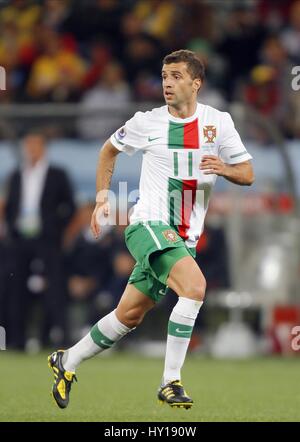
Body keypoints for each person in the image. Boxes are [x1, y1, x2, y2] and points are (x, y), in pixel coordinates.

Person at [48, 49, 254, 409]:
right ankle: (170, 381)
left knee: (128, 315)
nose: (168, 83)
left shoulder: (218, 122)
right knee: (195, 286)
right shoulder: (146, 122)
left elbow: (247, 174)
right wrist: (101, 200)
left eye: (176, 76)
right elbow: (107, 152)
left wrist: (223, 168)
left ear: (196, 82)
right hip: (148, 223)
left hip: (183, 239)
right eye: (164, 76)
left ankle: (67, 361)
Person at [4, 130, 76, 349]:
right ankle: (17, 340)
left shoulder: (57, 174)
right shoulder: (17, 174)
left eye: (35, 145)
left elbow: (69, 206)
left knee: (55, 288)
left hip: (47, 239)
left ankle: (60, 339)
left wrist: (56, 228)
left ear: (43, 148)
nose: (31, 149)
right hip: (21, 240)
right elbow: (11, 206)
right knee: (16, 289)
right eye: (28, 145)